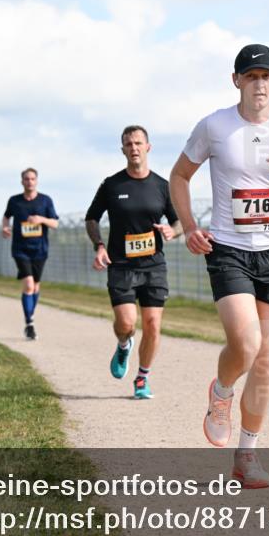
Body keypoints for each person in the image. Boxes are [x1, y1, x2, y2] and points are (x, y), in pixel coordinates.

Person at [170, 44, 269, 487]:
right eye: (250, 76)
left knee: (267, 360)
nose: (258, 84)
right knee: (247, 344)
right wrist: (191, 226)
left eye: (265, 76)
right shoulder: (215, 126)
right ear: (236, 80)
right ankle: (221, 392)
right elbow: (179, 176)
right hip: (229, 248)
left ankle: (247, 455)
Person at [85, 125, 181, 400]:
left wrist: (173, 231)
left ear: (148, 147)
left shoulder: (162, 186)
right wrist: (99, 245)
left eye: (139, 143)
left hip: (153, 265)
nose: (134, 148)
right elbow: (92, 218)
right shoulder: (112, 185)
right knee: (127, 323)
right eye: (129, 144)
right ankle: (124, 343)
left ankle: (142, 378)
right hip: (122, 265)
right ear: (123, 149)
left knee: (152, 325)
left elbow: (178, 221)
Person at [2, 168, 59, 340]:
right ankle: (29, 323)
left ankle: (30, 317)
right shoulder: (14, 201)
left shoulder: (45, 200)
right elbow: (6, 217)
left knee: (35, 286)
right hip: (20, 249)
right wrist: (5, 227)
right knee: (28, 285)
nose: (29, 182)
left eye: (32, 179)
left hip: (40, 250)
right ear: (22, 181)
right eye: (26, 179)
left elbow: (55, 223)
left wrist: (41, 219)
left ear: (37, 181)